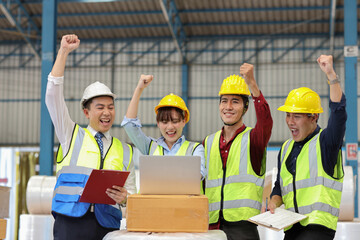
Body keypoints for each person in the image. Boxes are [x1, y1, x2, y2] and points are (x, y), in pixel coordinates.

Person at [46, 34, 136, 240]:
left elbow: (131, 194)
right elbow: (52, 96)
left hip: (107, 226)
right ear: (86, 112)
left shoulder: (125, 150)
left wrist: (125, 198)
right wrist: (63, 52)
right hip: (71, 222)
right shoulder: (70, 134)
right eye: (100, 107)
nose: (107, 112)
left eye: (111, 107)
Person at [267, 55, 346, 240]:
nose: (290, 122)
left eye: (297, 116)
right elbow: (280, 185)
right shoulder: (286, 148)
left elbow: (339, 114)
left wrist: (331, 75)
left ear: (313, 118)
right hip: (291, 226)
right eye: (288, 115)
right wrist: (274, 200)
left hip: (317, 226)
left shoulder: (326, 142)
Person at [203, 63, 273, 240]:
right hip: (211, 226)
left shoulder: (254, 139)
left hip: (243, 229)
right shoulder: (207, 142)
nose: (228, 106)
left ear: (246, 107)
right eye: (224, 101)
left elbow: (266, 122)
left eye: (235, 101)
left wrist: (252, 84)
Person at [121, 75, 206, 179]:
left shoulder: (195, 149)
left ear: (184, 121)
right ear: (158, 123)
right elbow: (129, 125)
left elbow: (199, 174)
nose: (170, 127)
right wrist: (139, 89)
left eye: (175, 121)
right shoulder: (150, 147)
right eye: (164, 122)